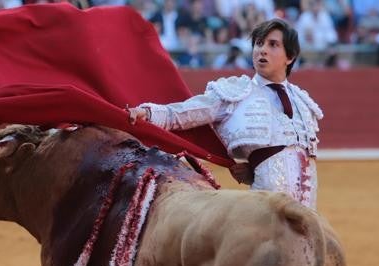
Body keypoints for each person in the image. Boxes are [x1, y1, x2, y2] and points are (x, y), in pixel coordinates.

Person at [129, 18, 323, 209]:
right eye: (258, 43)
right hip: (266, 213)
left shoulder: (302, 101)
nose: (262, 50)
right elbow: (185, 113)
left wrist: (252, 172)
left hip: (308, 213)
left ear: (289, 57)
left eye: (273, 45)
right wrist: (148, 113)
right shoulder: (236, 91)